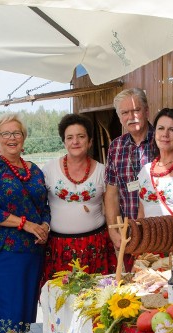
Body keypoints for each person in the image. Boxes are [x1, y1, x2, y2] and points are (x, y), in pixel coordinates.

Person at [0, 112, 50, 333]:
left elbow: (44, 206)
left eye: (16, 133)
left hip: (31, 254)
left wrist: (45, 226)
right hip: (1, 254)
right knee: (7, 320)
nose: (11, 138)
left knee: (19, 319)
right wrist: (25, 224)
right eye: (5, 133)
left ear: (24, 137)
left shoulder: (34, 170)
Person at [41, 114, 116, 283]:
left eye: (81, 136)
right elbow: (38, 204)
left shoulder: (102, 171)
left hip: (96, 246)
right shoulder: (49, 169)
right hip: (59, 248)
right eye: (70, 137)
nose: (75, 142)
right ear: (64, 142)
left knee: (97, 301)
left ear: (89, 141)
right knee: (61, 301)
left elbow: (111, 205)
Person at [105, 88, 156, 252]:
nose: (131, 116)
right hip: (128, 235)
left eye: (136, 110)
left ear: (147, 111)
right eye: (125, 112)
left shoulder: (163, 140)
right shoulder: (116, 146)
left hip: (161, 232)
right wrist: (113, 230)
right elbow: (112, 193)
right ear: (120, 118)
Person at [137, 108, 173, 218]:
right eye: (161, 128)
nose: (165, 134)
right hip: (149, 234)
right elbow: (142, 212)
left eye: (172, 130)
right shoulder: (145, 170)